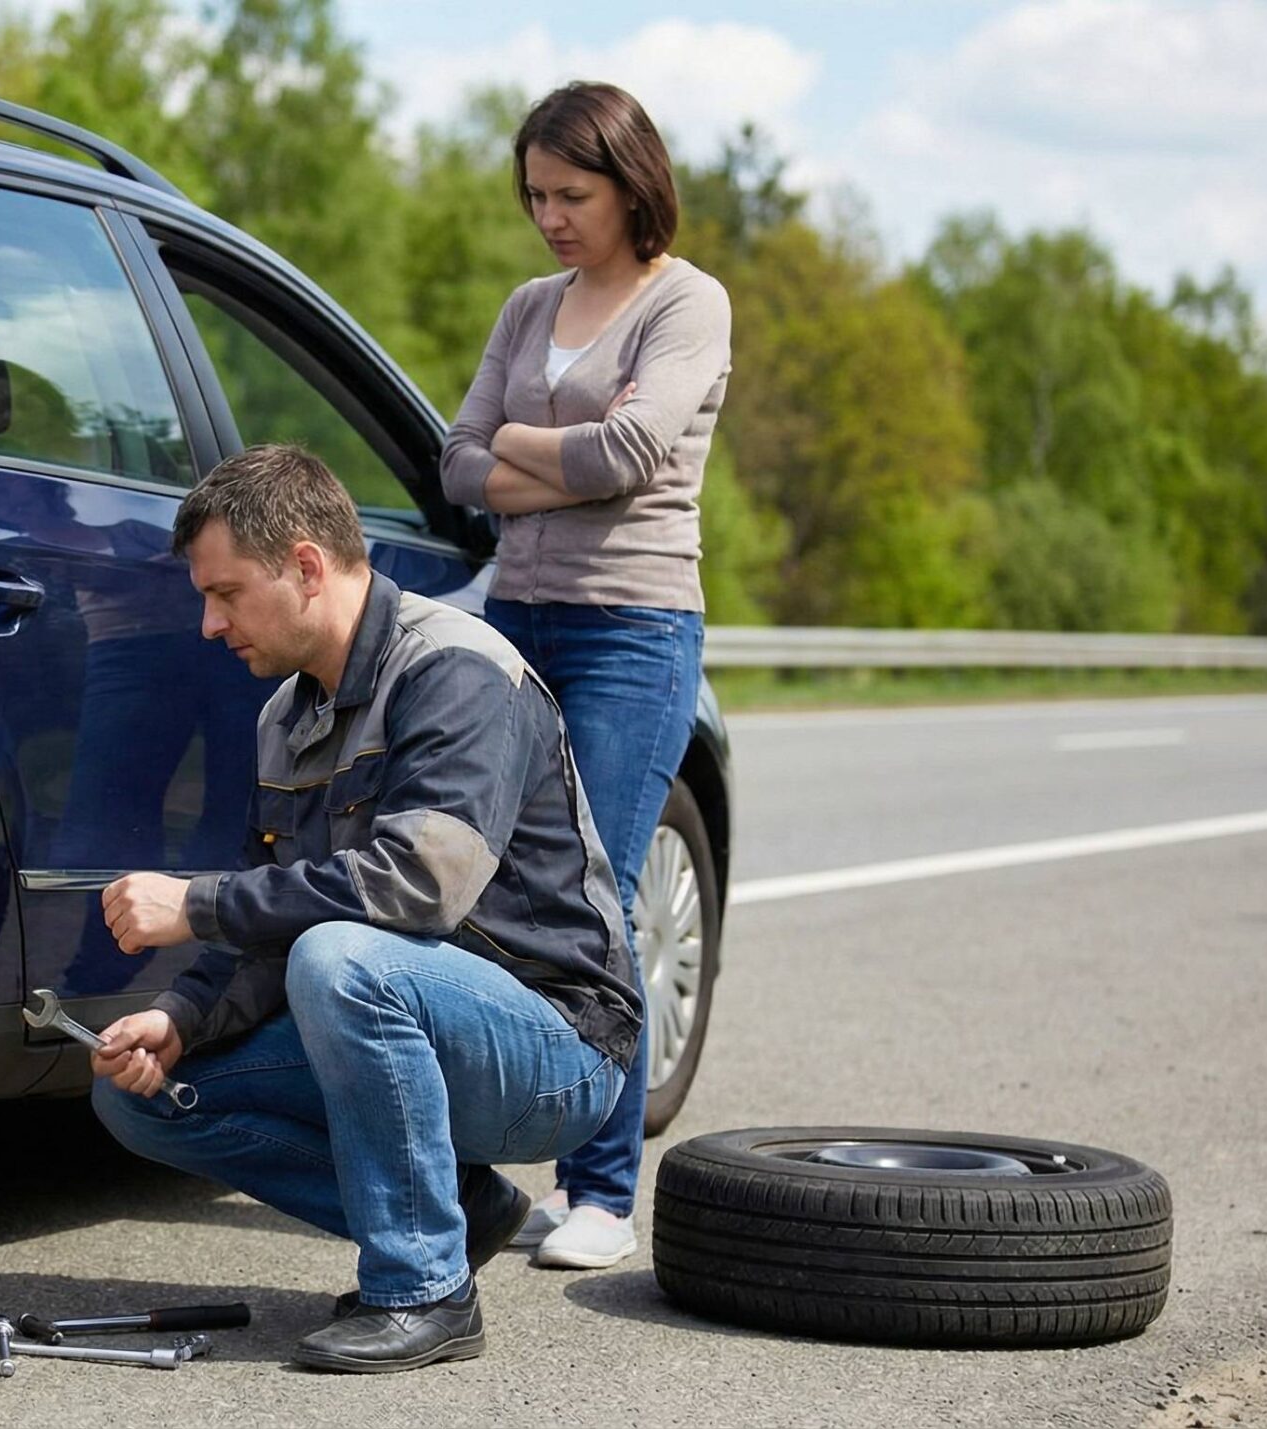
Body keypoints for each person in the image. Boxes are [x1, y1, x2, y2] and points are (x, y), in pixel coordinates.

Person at [87, 444, 644, 1373]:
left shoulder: (458, 669)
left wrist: (196, 902)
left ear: (306, 566)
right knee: (140, 1097)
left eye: (225, 593)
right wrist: (180, 1017)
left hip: (556, 1047)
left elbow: (416, 888)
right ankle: (459, 1210)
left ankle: (424, 1287)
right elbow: (271, 924)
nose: (207, 624)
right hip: (406, 1017)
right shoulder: (285, 717)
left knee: (341, 957)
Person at [437, 81, 732, 1270]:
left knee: (597, 897)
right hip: (518, 619)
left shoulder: (687, 302)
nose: (550, 216)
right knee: (491, 893)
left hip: (632, 629)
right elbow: (456, 465)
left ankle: (600, 1189)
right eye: (534, 196)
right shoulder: (528, 306)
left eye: (572, 194)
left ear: (629, 181)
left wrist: (520, 445)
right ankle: (492, 1165)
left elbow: (635, 450)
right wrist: (549, 459)